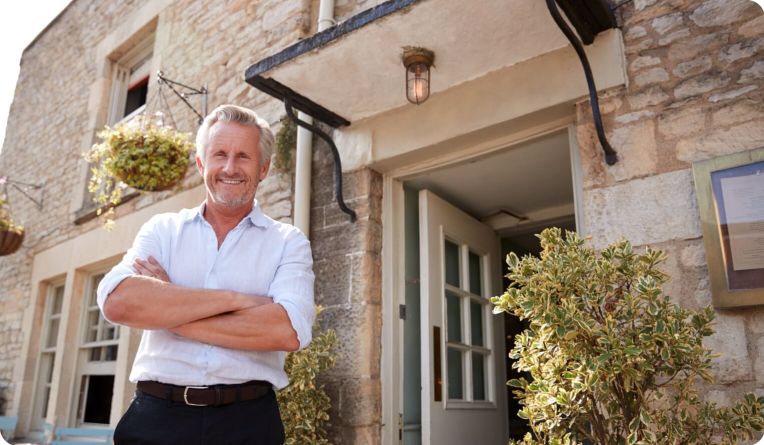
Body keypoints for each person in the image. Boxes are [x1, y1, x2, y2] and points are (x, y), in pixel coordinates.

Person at [97, 104, 315, 445]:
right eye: (219, 155)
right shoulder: (163, 229)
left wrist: (169, 305)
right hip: (156, 418)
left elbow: (288, 330)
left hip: (248, 423)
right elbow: (119, 302)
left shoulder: (288, 242)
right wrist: (235, 300)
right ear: (202, 164)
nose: (230, 167)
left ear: (264, 169)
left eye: (243, 156)